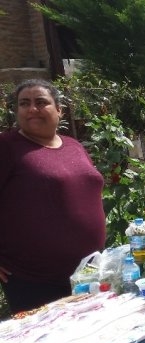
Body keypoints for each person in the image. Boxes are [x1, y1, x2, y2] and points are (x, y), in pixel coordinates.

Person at [0, 79, 106, 314]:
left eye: (40, 102)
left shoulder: (73, 146)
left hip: (89, 272)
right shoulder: (7, 146)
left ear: (59, 110)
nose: (32, 109)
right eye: (24, 103)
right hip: (35, 281)